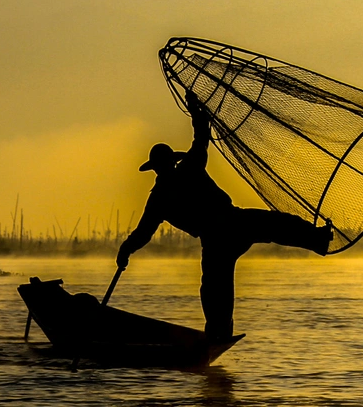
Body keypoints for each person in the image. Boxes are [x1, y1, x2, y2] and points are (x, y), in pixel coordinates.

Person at [116, 91, 332, 341]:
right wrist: (126, 249)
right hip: (223, 233)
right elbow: (143, 233)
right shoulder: (171, 187)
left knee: (276, 226)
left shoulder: (173, 184)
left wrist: (125, 250)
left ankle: (318, 239)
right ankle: (218, 335)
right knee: (218, 287)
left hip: (229, 225)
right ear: (167, 164)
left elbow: (201, 137)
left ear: (159, 166)